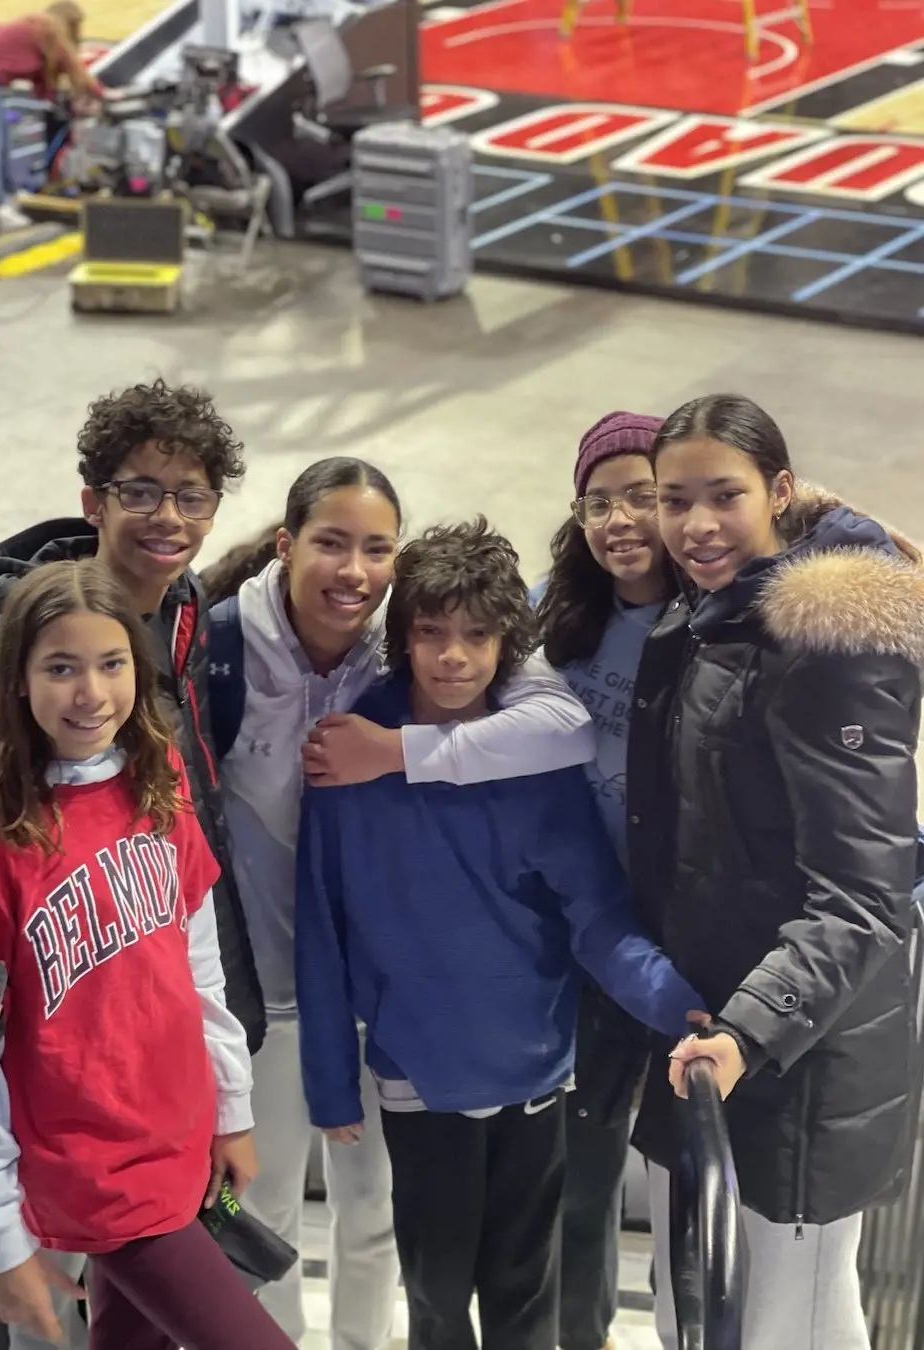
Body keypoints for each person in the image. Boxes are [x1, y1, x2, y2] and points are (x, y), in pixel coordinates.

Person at [0, 378, 264, 1350]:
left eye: (191, 493)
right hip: (84, 1158)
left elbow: (193, 948)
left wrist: (227, 1101)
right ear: (95, 502)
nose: (168, 514)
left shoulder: (168, 679)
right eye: (141, 489)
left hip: (169, 1114)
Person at [208, 458, 600, 1350]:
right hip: (264, 987)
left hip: (380, 999)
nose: (354, 569)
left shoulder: (402, 648)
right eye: (331, 543)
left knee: (376, 1212)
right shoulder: (219, 648)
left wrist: (397, 751)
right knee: (258, 1204)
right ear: (285, 544)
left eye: (376, 547)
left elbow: (560, 722)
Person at [295, 517, 703, 1350]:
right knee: (436, 1293)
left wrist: (681, 1006)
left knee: (525, 1296)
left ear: (507, 645)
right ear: (403, 636)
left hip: (536, 1070)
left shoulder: (538, 764)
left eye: (477, 637)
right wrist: (330, 1078)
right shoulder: (346, 755)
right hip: (419, 1072)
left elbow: (597, 917)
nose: (453, 657)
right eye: (432, 634)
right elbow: (321, 925)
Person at [0, 557, 293, 1350]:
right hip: (93, 1172)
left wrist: (229, 1112)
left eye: (111, 663)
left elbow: (199, 966)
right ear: (18, 678)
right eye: (61, 667)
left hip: (181, 1135)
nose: (91, 693)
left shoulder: (155, 776)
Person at [628, 394, 924, 1349]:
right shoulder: (721, 613)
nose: (696, 525)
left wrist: (751, 1034)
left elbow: (865, 895)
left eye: (725, 495)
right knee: (707, 1314)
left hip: (797, 1067)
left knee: (786, 1322)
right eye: (675, 500)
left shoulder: (826, 647)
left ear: (781, 492)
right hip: (720, 1043)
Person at [534, 411, 675, 1350]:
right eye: (599, 501)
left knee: (689, 1201)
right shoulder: (555, 611)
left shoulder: (723, 612)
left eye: (642, 495)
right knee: (575, 1193)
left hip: (687, 953)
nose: (620, 519)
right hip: (576, 948)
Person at [0, 1, 102, 231]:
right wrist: (104, 94)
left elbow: (42, 82)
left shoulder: (39, 33)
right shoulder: (50, 31)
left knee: (0, 133)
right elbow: (76, 71)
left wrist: (58, 99)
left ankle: (10, 193)